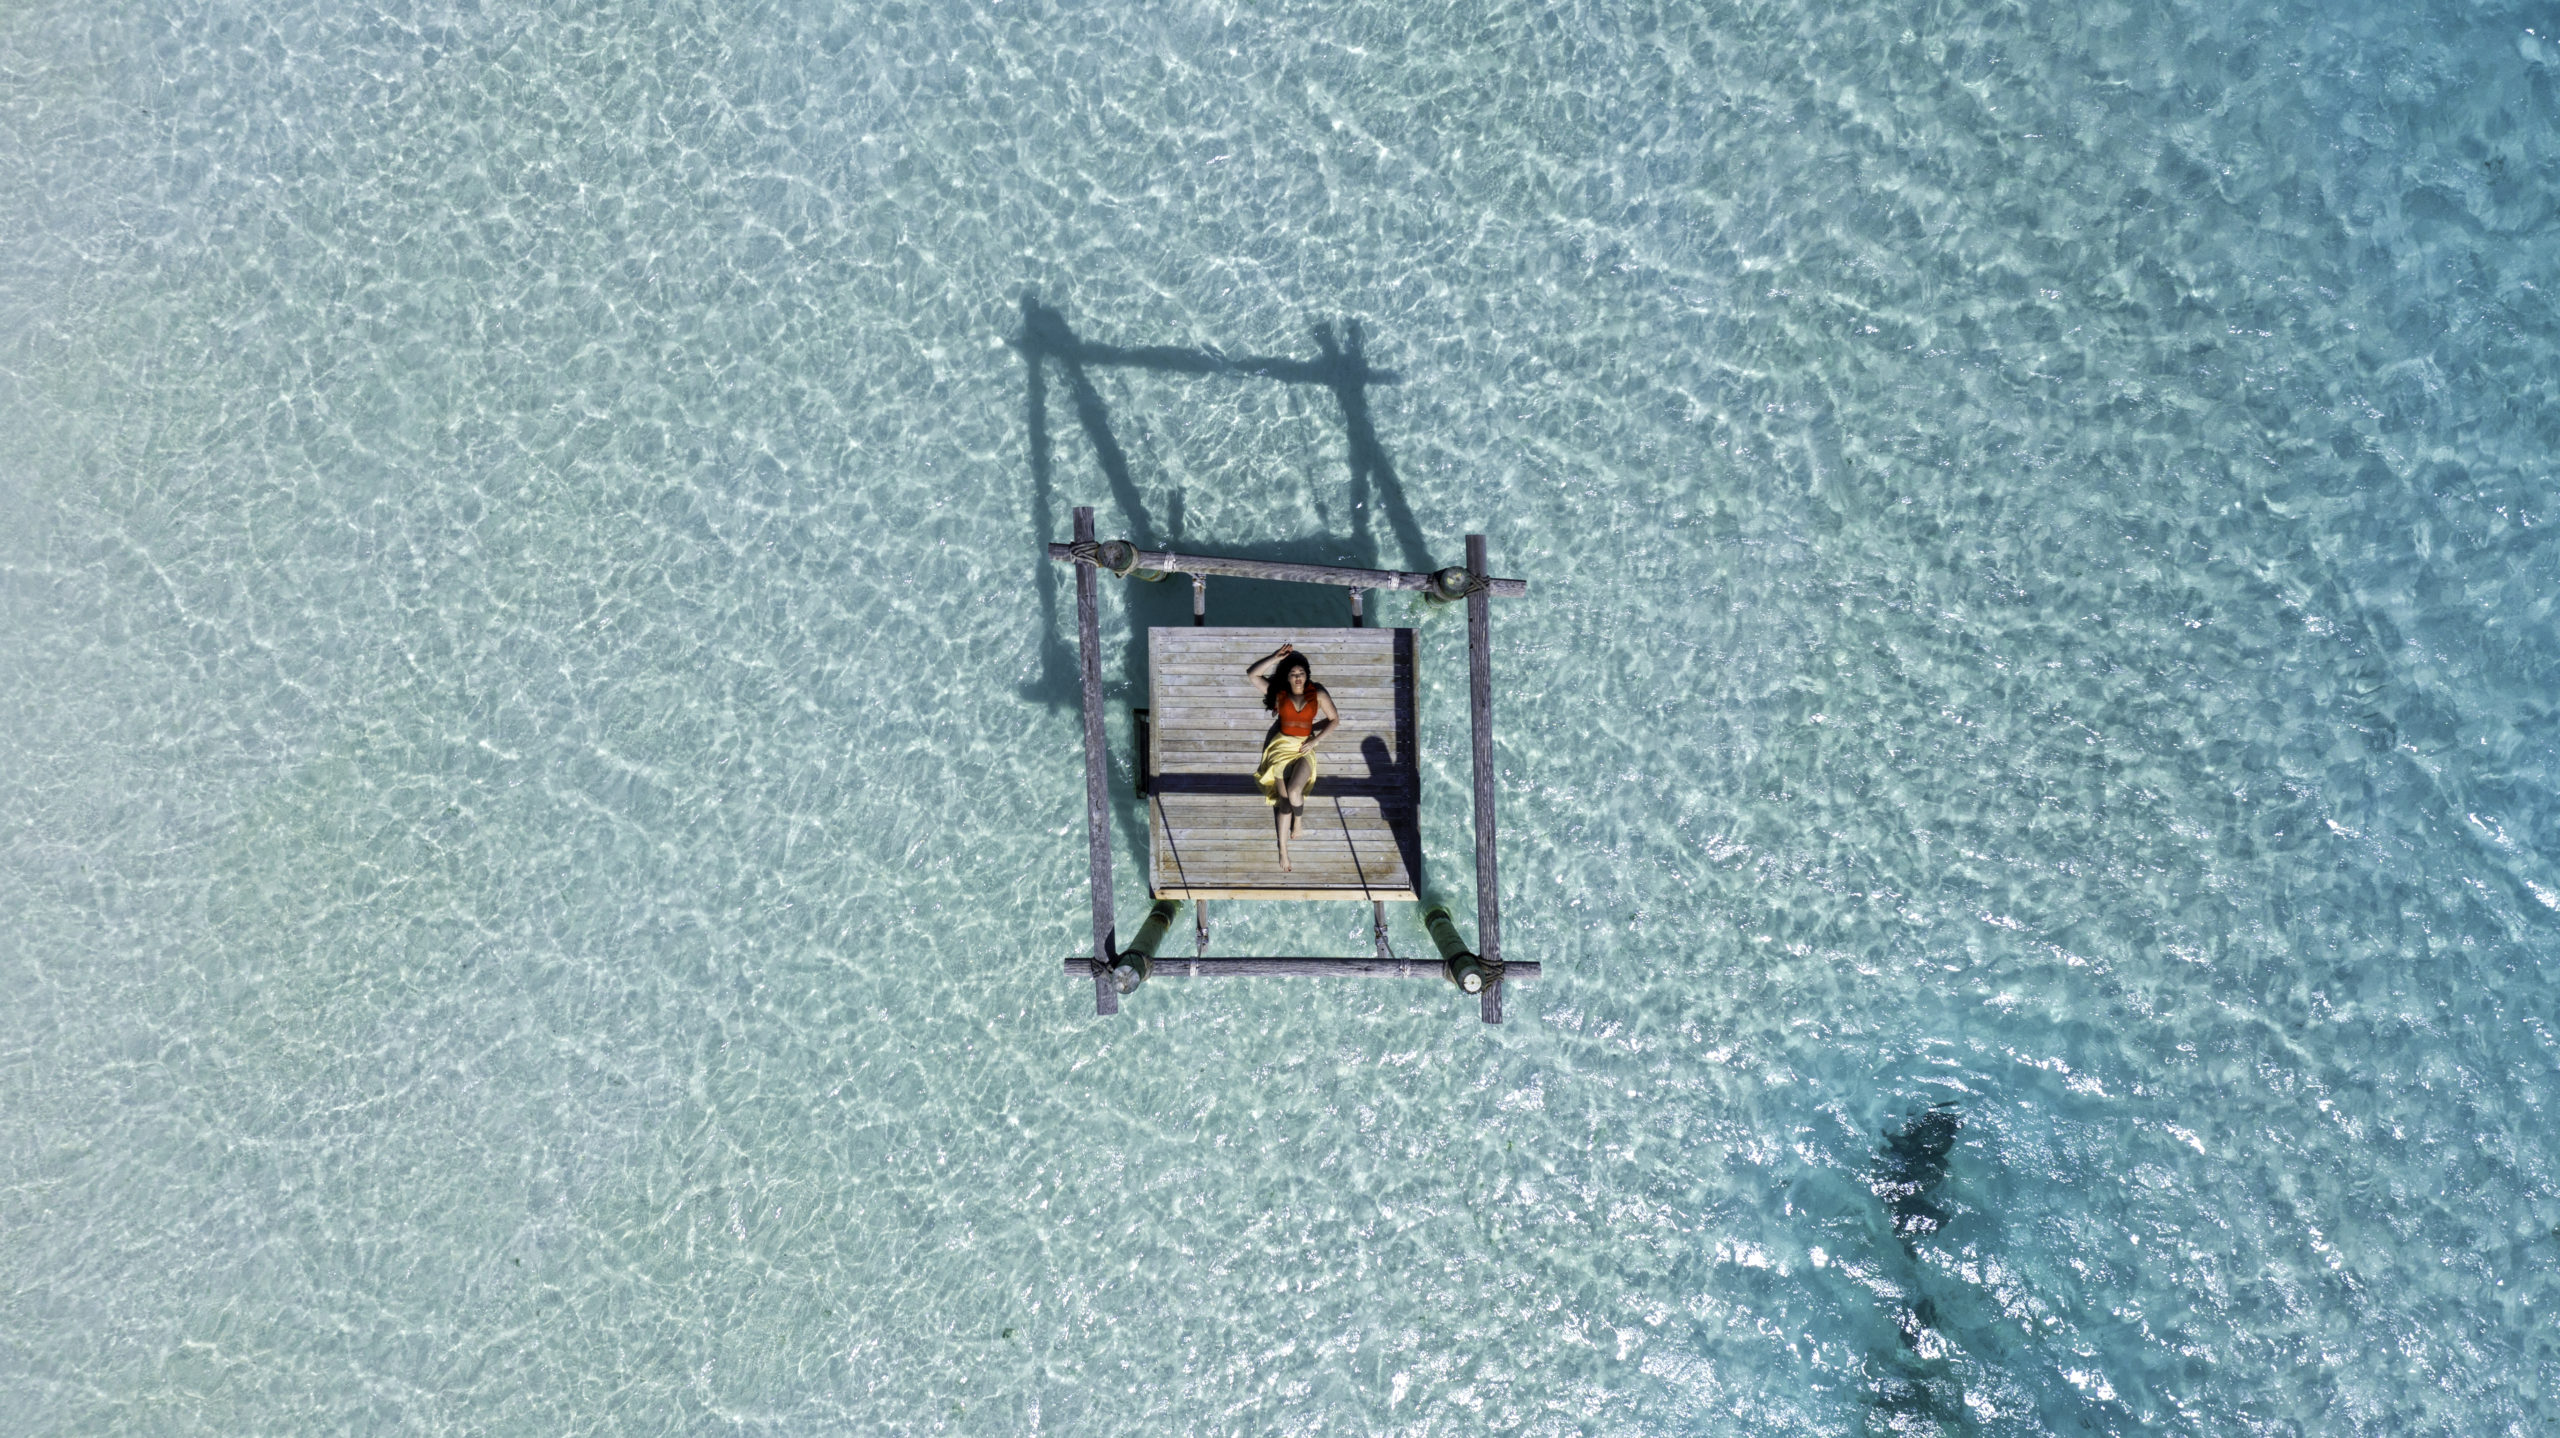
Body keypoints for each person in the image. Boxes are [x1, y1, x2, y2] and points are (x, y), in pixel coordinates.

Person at [1244, 643, 1338, 872]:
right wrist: (1275, 657)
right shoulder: (1279, 694)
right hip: (1281, 749)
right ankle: (1283, 851)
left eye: (1301, 673)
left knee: (1295, 792)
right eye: (1293, 674)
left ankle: (1299, 820)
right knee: (1284, 803)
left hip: (1304, 748)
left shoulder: (1318, 693)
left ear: (1307, 674)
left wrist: (1315, 740)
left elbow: (1334, 720)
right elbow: (1252, 674)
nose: (1297, 677)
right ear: (1287, 677)